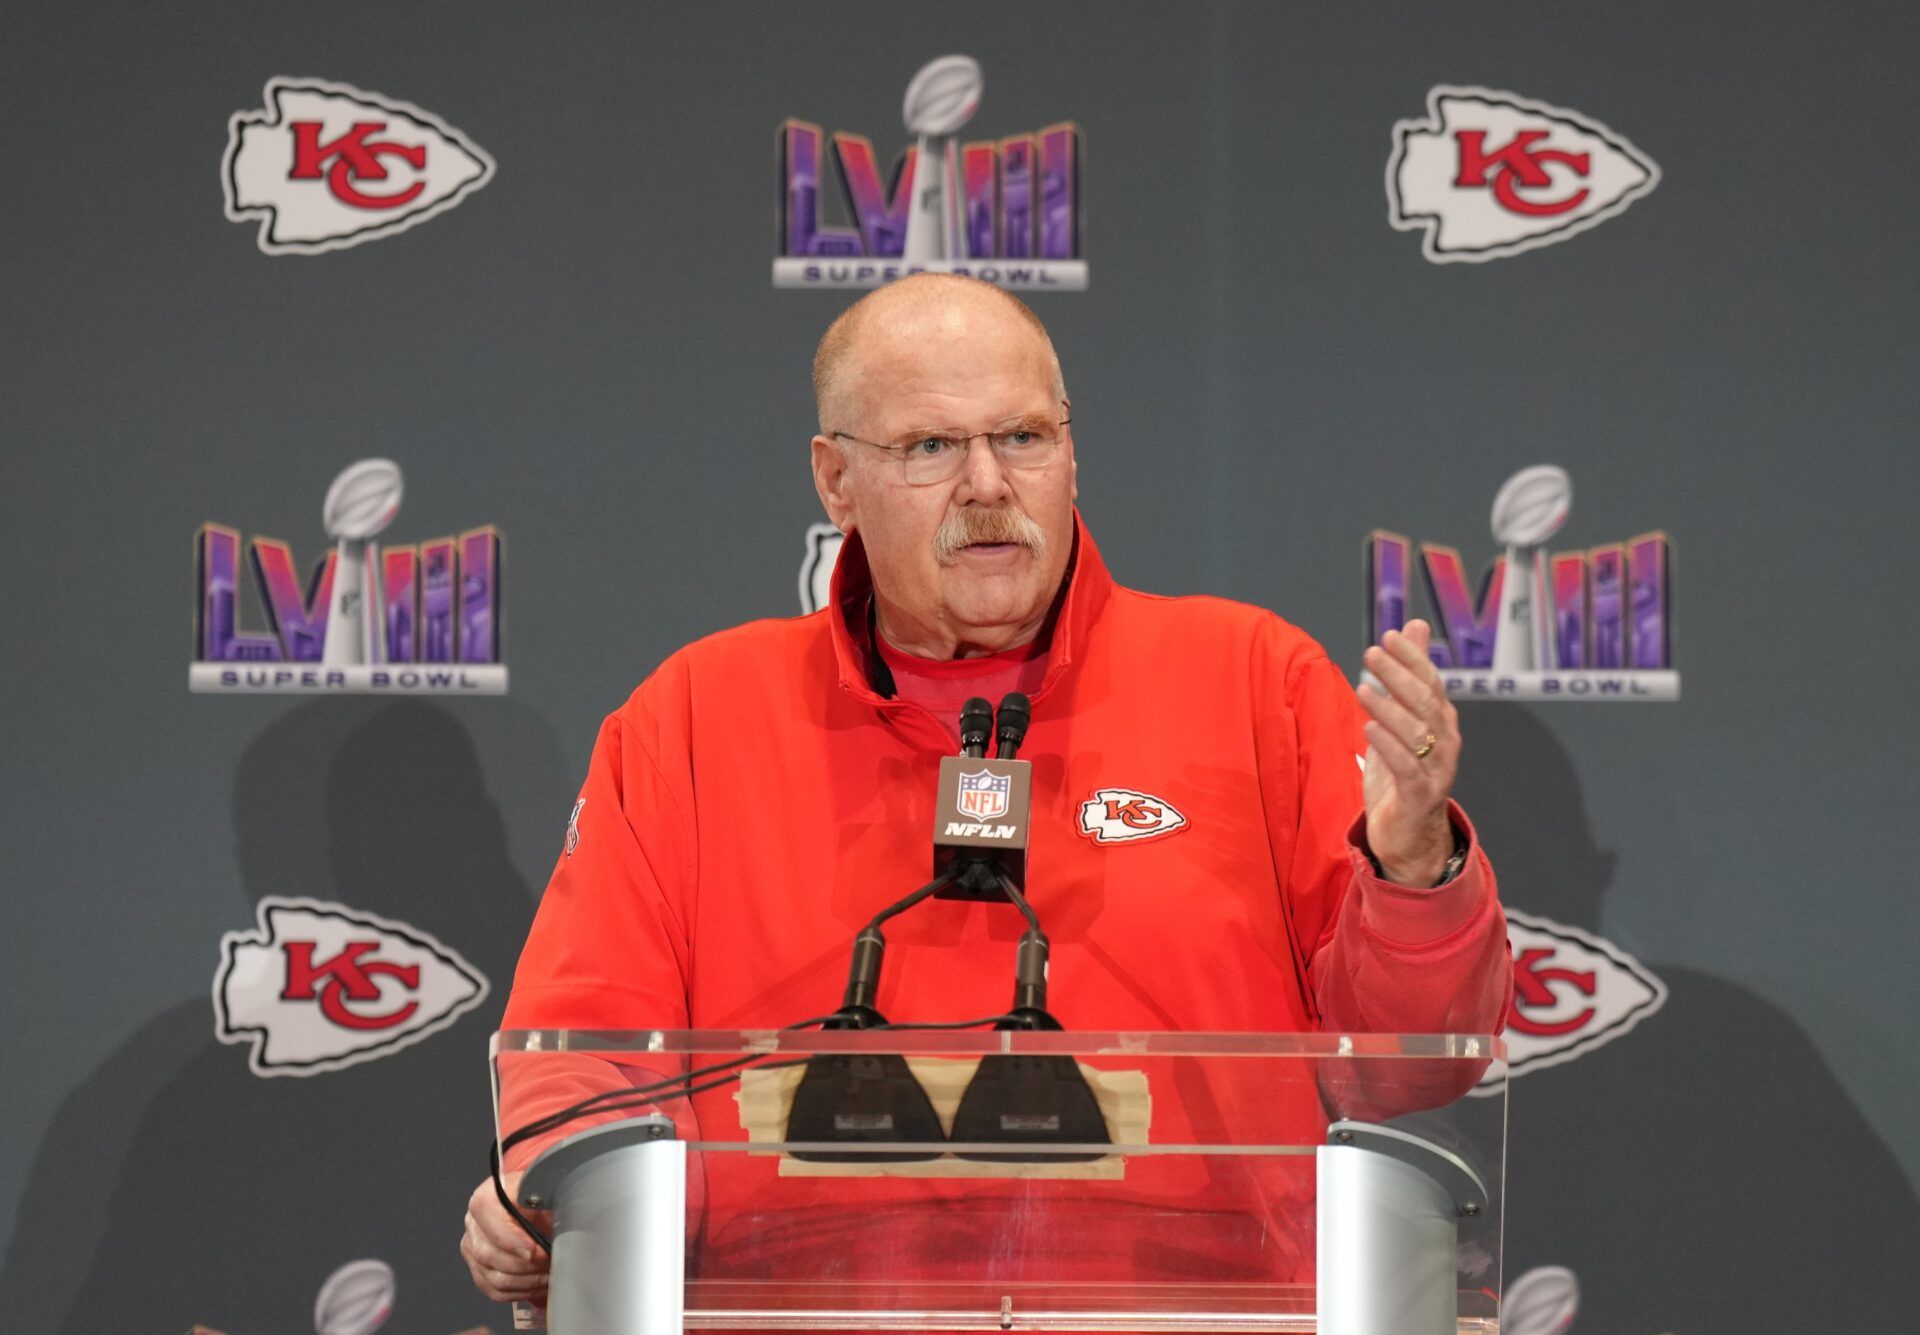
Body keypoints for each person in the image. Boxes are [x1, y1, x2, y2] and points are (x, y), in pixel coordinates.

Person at [461, 274, 1512, 1305]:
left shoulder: (1253, 680)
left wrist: (1415, 868)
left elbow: (1409, 1072)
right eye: (930, 447)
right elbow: (586, 1049)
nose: (987, 485)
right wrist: (554, 1195)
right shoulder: (694, 716)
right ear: (836, 481)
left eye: (1021, 437)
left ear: (1069, 449)